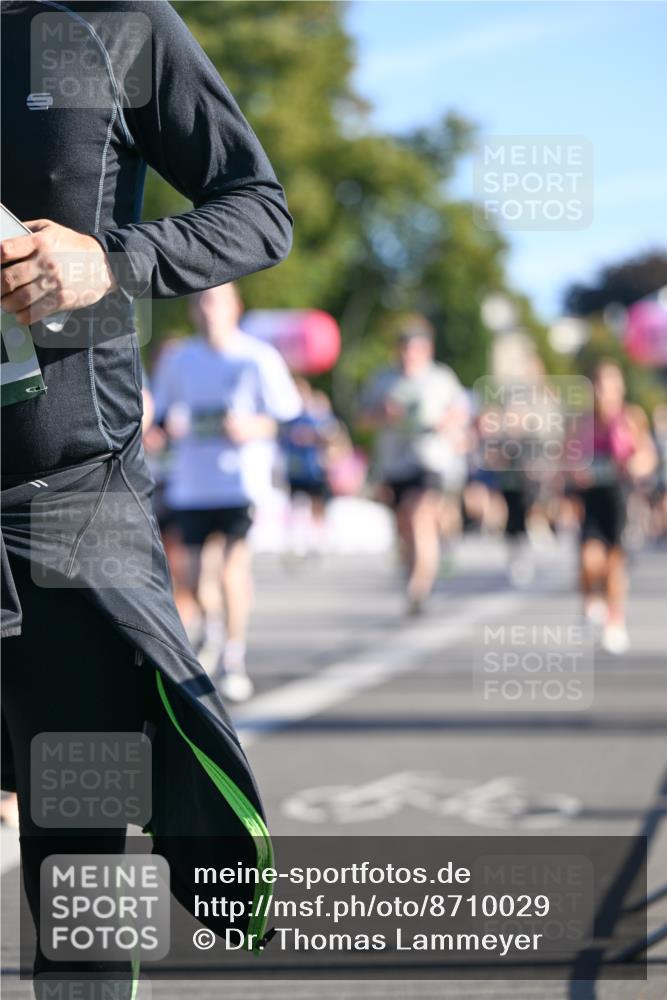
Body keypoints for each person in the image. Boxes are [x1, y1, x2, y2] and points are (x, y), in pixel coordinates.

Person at [1, 1, 291, 987]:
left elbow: (258, 207)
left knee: (75, 870)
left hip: (63, 509)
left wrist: (110, 260)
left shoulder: (115, 21)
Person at [150, 283, 302, 701]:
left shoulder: (258, 357)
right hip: (192, 485)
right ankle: (215, 632)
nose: (207, 308)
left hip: (240, 483)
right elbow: (160, 415)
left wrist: (253, 427)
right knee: (197, 580)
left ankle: (234, 660)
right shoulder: (180, 359)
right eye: (199, 301)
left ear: (236, 307)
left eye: (215, 300)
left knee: (233, 571)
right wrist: (164, 429)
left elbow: (287, 416)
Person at [359, 315, 469, 615]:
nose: (409, 354)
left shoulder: (440, 378)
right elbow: (363, 418)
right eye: (404, 347)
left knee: (419, 516)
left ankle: (417, 588)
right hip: (394, 463)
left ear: (427, 349)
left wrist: (444, 422)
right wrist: (382, 414)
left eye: (415, 348)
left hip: (429, 460)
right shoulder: (383, 379)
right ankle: (418, 573)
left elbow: (462, 411)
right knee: (405, 525)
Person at [573, 360, 656, 653]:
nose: (604, 392)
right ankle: (590, 602)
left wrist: (636, 465)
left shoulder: (631, 418)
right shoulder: (583, 423)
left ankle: (615, 621)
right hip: (592, 500)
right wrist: (576, 471)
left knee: (614, 567)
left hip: (620, 501)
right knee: (589, 560)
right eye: (599, 386)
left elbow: (647, 455)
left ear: (619, 388)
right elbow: (568, 458)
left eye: (610, 386)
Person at [281, 378, 340, 559]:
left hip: (314, 470)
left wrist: (316, 437)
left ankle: (320, 541)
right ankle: (296, 543)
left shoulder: (317, 417)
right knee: (296, 507)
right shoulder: (288, 419)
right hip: (295, 471)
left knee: (318, 506)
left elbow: (332, 436)